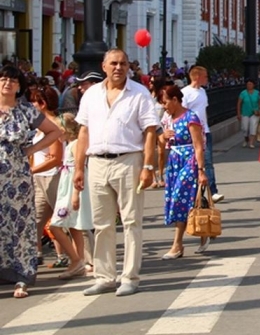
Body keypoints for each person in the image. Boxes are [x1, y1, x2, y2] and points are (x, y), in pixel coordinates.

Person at [74, 48, 160, 297]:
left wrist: (148, 166)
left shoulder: (139, 93)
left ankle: (130, 277)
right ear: (104, 66)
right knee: (102, 224)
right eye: (113, 63)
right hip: (97, 162)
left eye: (123, 63)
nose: (118, 68)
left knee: (132, 221)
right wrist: (79, 168)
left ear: (128, 67)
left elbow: (150, 132)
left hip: (128, 161)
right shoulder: (91, 95)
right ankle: (104, 276)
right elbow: (83, 133)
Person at [0, 65, 62, 298]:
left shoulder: (26, 110)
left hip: (17, 178)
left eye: (13, 81)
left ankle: (22, 276)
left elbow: (55, 132)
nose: (7, 84)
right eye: (3, 79)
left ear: (19, 87)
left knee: (19, 225)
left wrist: (31, 149)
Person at [159, 85, 209, 259]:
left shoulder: (190, 117)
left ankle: (177, 244)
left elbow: (198, 146)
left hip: (189, 161)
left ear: (175, 100)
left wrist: (201, 170)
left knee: (180, 197)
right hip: (174, 160)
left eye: (165, 102)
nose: (164, 106)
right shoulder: (168, 118)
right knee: (183, 199)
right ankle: (203, 232)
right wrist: (162, 137)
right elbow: (161, 140)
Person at [50, 112, 93, 280]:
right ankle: (79, 260)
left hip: (71, 190)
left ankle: (75, 259)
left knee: (56, 225)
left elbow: (77, 169)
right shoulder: (68, 145)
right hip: (66, 187)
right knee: (74, 227)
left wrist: (75, 194)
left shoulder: (75, 145)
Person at [28, 86, 66, 268]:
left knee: (61, 220)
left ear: (42, 104)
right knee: (36, 220)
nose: (31, 104)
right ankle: (35, 254)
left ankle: (72, 256)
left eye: (34, 101)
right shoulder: (39, 127)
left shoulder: (54, 125)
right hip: (40, 177)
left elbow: (55, 159)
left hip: (52, 177)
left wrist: (32, 170)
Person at [182, 66, 223, 203]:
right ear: (197, 77)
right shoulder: (185, 93)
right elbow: (182, 113)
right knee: (192, 163)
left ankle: (213, 191)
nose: (207, 79)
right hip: (191, 133)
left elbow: (203, 111)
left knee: (208, 162)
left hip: (205, 131)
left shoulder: (203, 92)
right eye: (205, 76)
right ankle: (193, 192)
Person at [237, 78, 260, 149]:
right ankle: (246, 139)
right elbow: (239, 103)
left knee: (253, 127)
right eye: (248, 84)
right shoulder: (243, 93)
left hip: (255, 113)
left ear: (253, 85)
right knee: (245, 128)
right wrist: (238, 113)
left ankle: (251, 142)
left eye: (250, 84)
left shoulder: (257, 93)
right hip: (245, 113)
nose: (249, 85)